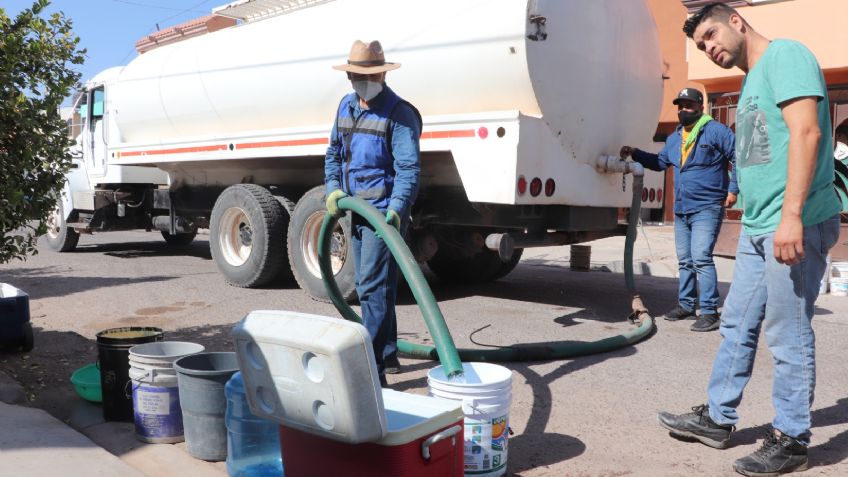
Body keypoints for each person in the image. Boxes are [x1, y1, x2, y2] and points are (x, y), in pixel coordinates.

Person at [657, 4, 840, 476]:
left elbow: (807, 131)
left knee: (788, 333)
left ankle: (792, 437)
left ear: (736, 20)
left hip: (790, 223)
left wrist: (792, 217)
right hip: (759, 226)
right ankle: (718, 418)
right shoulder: (751, 80)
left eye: (712, 34)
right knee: (736, 325)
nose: (710, 47)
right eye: (701, 46)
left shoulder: (786, 56)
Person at [324, 40, 422, 386]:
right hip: (356, 210)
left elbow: (408, 169)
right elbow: (334, 153)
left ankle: (372, 372)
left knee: (369, 288)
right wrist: (334, 188)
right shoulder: (346, 107)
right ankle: (387, 353)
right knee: (381, 289)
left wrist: (396, 211)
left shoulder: (399, 113)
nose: (357, 80)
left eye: (364, 74)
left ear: (381, 73)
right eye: (353, 74)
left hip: (383, 215)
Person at [621, 87, 738, 332]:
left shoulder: (715, 131)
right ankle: (686, 305)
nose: (683, 110)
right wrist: (636, 154)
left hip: (707, 206)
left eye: (689, 105)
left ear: (700, 107)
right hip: (682, 208)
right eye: (680, 105)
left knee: (701, 259)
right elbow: (660, 162)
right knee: (685, 260)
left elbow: (737, 156)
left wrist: (734, 190)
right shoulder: (675, 138)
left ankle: (708, 312)